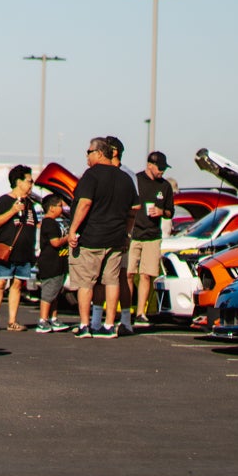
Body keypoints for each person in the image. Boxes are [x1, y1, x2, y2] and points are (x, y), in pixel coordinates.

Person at [66, 137, 137, 339]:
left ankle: (85, 325)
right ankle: (108, 325)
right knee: (112, 281)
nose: (86, 156)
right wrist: (126, 233)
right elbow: (134, 210)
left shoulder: (91, 175)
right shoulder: (125, 178)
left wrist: (73, 230)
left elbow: (85, 204)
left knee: (86, 283)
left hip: (91, 238)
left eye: (88, 152)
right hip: (115, 238)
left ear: (98, 153)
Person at [0, 165, 38, 331]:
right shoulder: (4, 200)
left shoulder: (30, 204)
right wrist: (12, 210)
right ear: (18, 182)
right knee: (0, 283)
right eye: (29, 181)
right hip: (5, 252)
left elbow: (33, 225)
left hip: (24, 253)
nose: (32, 184)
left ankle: (12, 321)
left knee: (17, 285)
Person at [128, 150, 178, 328]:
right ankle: (127, 311)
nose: (162, 171)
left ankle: (141, 313)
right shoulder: (136, 180)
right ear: (149, 165)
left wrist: (161, 212)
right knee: (128, 273)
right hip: (133, 234)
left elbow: (170, 211)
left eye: (164, 168)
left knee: (146, 275)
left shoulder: (165, 186)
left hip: (152, 236)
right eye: (160, 167)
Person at [34, 195, 70, 331]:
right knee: (49, 292)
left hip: (58, 263)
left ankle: (53, 318)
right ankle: (42, 320)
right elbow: (55, 242)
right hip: (50, 264)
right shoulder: (49, 223)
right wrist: (68, 237)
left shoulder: (54, 222)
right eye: (60, 206)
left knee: (55, 292)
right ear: (51, 208)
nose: (62, 208)